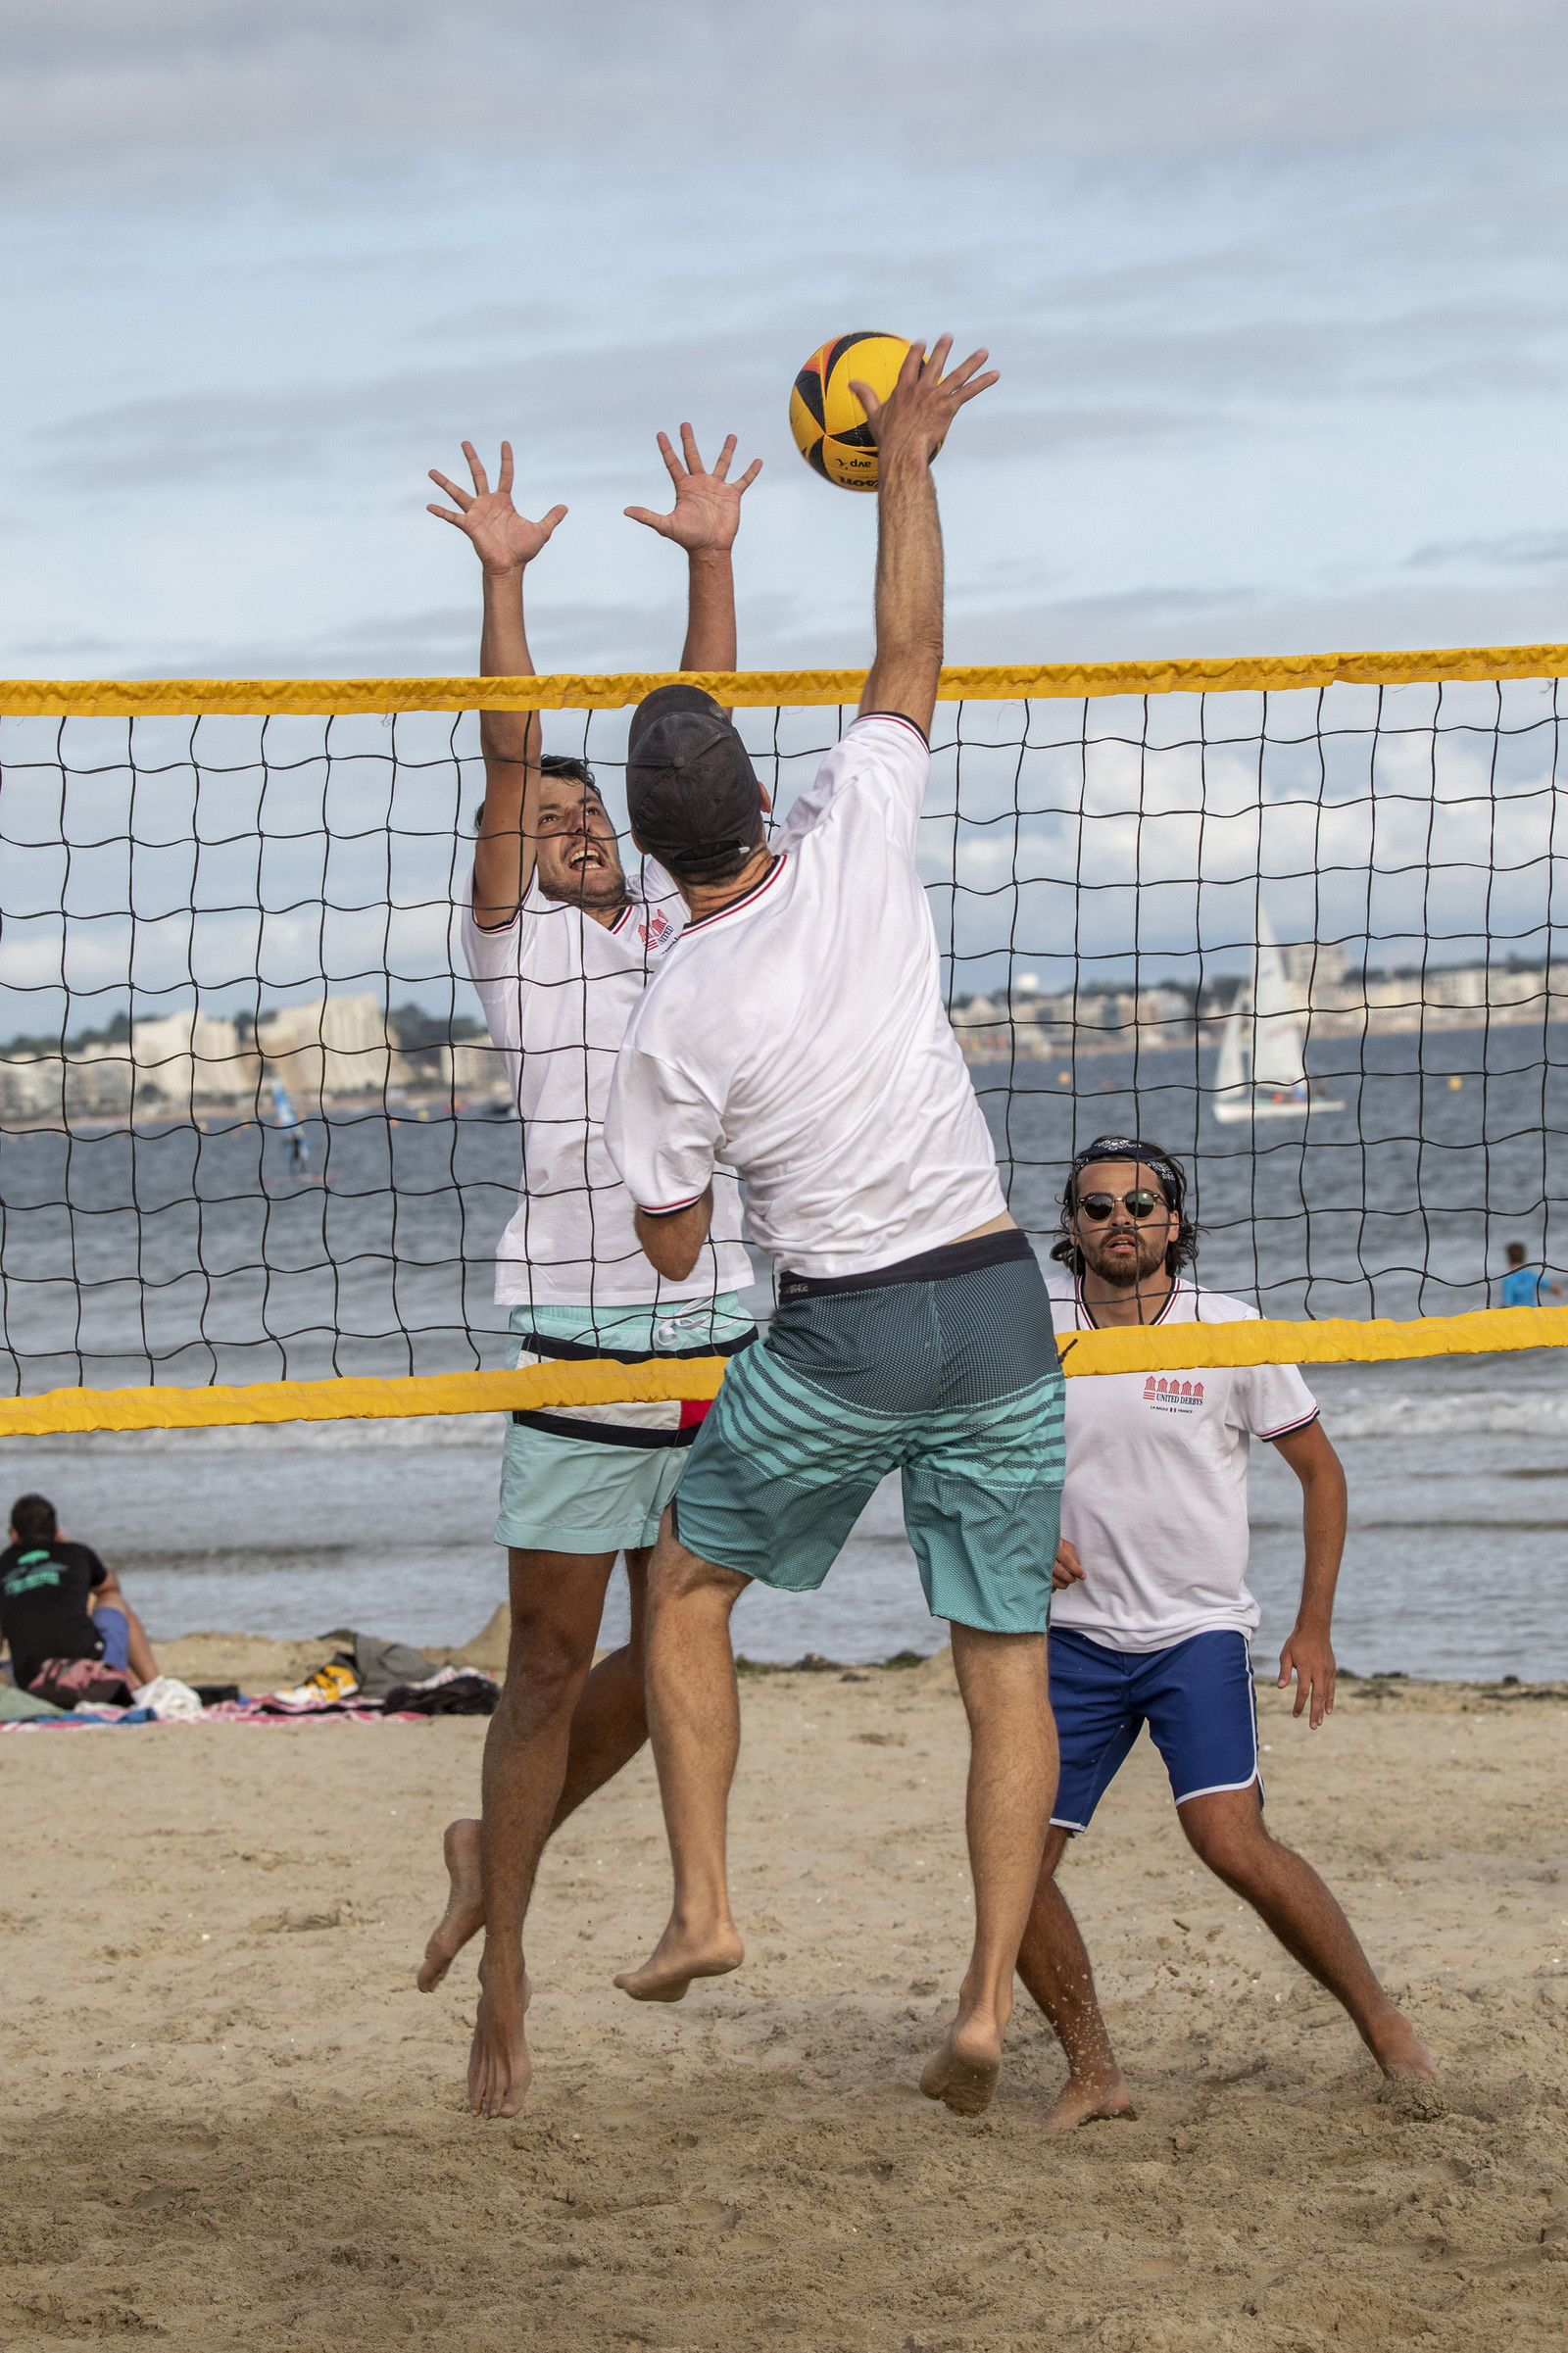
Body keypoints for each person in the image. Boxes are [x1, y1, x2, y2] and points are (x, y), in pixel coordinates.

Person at [603, 338, 1066, 2121]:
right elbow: (908, 650)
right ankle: (978, 2009)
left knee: (689, 1584)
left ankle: (708, 1906)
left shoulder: (674, 1008)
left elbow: (665, 1251)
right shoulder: (861, 827)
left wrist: (702, 1146)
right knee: (1000, 1665)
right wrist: (915, 455)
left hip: (849, 1326)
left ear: (651, 853)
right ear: (756, 789)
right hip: (1001, 1302)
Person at [417, 424, 762, 2119]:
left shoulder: (685, 923)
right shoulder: (518, 950)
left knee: (685, 1642)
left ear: (625, 836)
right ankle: (510, 1964)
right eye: (539, 808)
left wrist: (709, 556)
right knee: (550, 1663)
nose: (561, 821)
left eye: (581, 808)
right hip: (571, 1336)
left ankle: (513, 1839)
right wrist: (504, 579)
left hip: (715, 1327)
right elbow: (505, 758)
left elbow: (697, 739)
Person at [1016, 1136, 1437, 2128]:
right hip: (1070, 1637)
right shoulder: (1030, 1329)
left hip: (1194, 1630)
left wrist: (1313, 1625)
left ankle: (1383, 2026)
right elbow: (960, 1454)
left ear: (1173, 1217)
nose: (1122, 1219)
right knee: (1014, 1861)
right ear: (1070, 1229)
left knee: (1229, 1841)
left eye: (1142, 1202)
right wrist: (1018, 1527)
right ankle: (1093, 2070)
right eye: (1098, 1206)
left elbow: (1322, 1474)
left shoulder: (1227, 1326)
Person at [0, 1494, 159, 1696]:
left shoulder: (3, 1563)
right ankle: (154, 1685)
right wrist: (66, 1546)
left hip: (32, 1679)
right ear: (56, 1532)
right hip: (91, 1675)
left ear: (13, 1535)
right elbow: (110, 1587)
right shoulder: (77, 1553)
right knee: (111, 1598)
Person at [1500, 1241, 1561, 1306]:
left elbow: (1507, 1303)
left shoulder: (1509, 1279)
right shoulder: (1530, 1275)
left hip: (1518, 1314)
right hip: (1532, 1312)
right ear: (1524, 1257)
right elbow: (1554, 1287)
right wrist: (1557, 1292)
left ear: (1508, 1259)